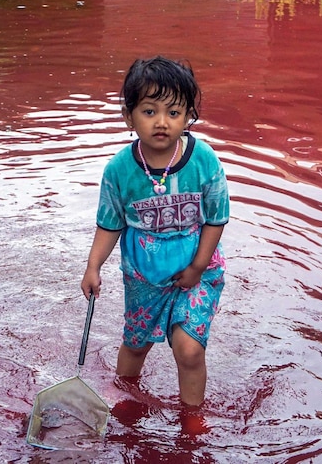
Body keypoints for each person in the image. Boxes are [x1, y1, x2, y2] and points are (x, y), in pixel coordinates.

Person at [81, 56, 229, 410]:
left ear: (188, 116)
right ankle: (124, 400)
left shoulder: (203, 159)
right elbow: (110, 224)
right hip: (144, 277)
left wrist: (197, 268)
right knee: (135, 345)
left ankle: (192, 420)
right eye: (149, 111)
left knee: (190, 349)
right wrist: (93, 266)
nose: (162, 122)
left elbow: (216, 218)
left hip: (197, 271)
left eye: (174, 112)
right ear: (128, 116)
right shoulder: (120, 170)